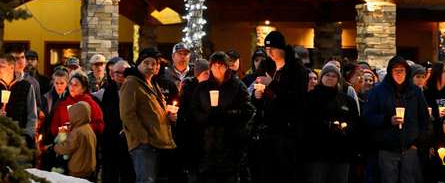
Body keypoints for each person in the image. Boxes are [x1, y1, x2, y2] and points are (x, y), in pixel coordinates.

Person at [252, 31, 310, 182]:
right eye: (266, 49)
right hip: (267, 130)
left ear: (282, 48)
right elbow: (259, 95)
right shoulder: (266, 66)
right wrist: (257, 96)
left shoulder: (296, 70)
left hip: (287, 132)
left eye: (273, 49)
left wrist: (271, 84)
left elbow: (295, 99)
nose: (269, 52)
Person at [363, 56, 429, 183]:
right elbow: (368, 116)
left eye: (402, 70)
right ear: (390, 72)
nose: (399, 73)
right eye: (396, 70)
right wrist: (388, 120)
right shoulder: (378, 91)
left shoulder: (415, 92)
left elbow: (424, 118)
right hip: (387, 148)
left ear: (407, 72)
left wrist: (418, 142)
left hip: (410, 147)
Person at [191, 52, 255, 183]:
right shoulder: (203, 87)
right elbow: (194, 111)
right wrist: (206, 117)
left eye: (220, 66)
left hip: (230, 146)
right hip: (207, 146)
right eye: (214, 66)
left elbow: (248, 111)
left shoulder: (237, 86)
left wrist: (226, 115)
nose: (217, 69)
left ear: (227, 67)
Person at [120, 47, 177, 183]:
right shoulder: (132, 83)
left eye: (154, 64)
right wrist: (143, 137)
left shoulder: (152, 84)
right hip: (144, 145)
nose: (150, 67)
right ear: (139, 63)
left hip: (158, 143)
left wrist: (168, 117)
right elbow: (127, 114)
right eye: (146, 63)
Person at [303, 64, 359, 183]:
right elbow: (307, 121)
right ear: (321, 77)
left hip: (341, 153)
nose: (330, 78)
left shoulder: (347, 100)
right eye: (327, 75)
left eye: (334, 76)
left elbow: (355, 122)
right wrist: (328, 125)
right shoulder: (310, 98)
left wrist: (346, 128)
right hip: (317, 153)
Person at [0, 54, 37, 147]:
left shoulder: (26, 86)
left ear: (12, 67)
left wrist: (28, 136)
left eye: (1, 66)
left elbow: (32, 116)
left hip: (20, 140)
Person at [99, 60, 135, 183]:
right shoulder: (109, 91)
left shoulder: (136, 89)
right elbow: (107, 115)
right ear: (112, 75)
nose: (121, 75)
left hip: (132, 139)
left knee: (129, 174)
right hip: (112, 140)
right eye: (117, 73)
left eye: (125, 72)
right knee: (110, 174)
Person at [47, 72, 105, 143]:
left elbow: (100, 126)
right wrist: (65, 130)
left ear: (83, 88)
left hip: (84, 143)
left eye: (76, 85)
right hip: (65, 144)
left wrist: (80, 129)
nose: (72, 87)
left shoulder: (91, 104)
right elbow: (54, 128)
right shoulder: (63, 104)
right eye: (70, 84)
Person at [52, 101, 97, 179]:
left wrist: (55, 147)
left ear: (76, 116)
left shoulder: (78, 132)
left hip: (78, 169)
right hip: (89, 168)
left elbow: (67, 147)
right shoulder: (88, 128)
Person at [7, 46, 42, 111]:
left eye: (22, 57)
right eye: (17, 58)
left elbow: (38, 105)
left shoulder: (33, 82)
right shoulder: (4, 79)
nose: (21, 61)